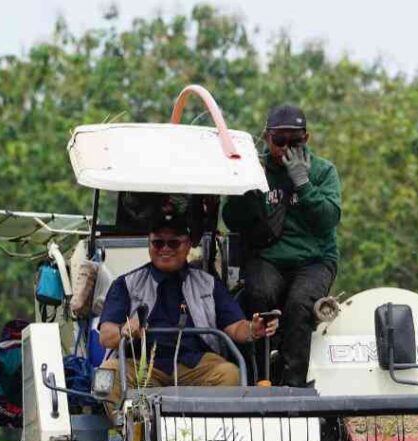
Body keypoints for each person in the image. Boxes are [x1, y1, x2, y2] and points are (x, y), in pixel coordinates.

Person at [96, 216, 278, 416]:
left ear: (188, 245)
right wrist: (125, 330)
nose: (165, 249)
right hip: (142, 365)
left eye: (173, 243)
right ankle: (134, 432)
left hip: (197, 365)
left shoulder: (208, 283)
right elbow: (106, 336)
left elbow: (235, 327)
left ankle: (206, 432)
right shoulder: (126, 284)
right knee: (108, 374)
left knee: (230, 374)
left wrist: (253, 328)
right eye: (158, 243)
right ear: (149, 244)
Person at [223, 104, 341, 387]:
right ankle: (258, 377)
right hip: (268, 257)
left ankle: (293, 386)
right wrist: (250, 186)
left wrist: (303, 183)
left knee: (300, 304)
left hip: (314, 260)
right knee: (258, 294)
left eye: (295, 141)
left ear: (306, 138)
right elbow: (231, 219)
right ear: (267, 137)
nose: (286, 148)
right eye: (279, 140)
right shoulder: (255, 168)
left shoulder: (323, 171)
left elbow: (329, 218)